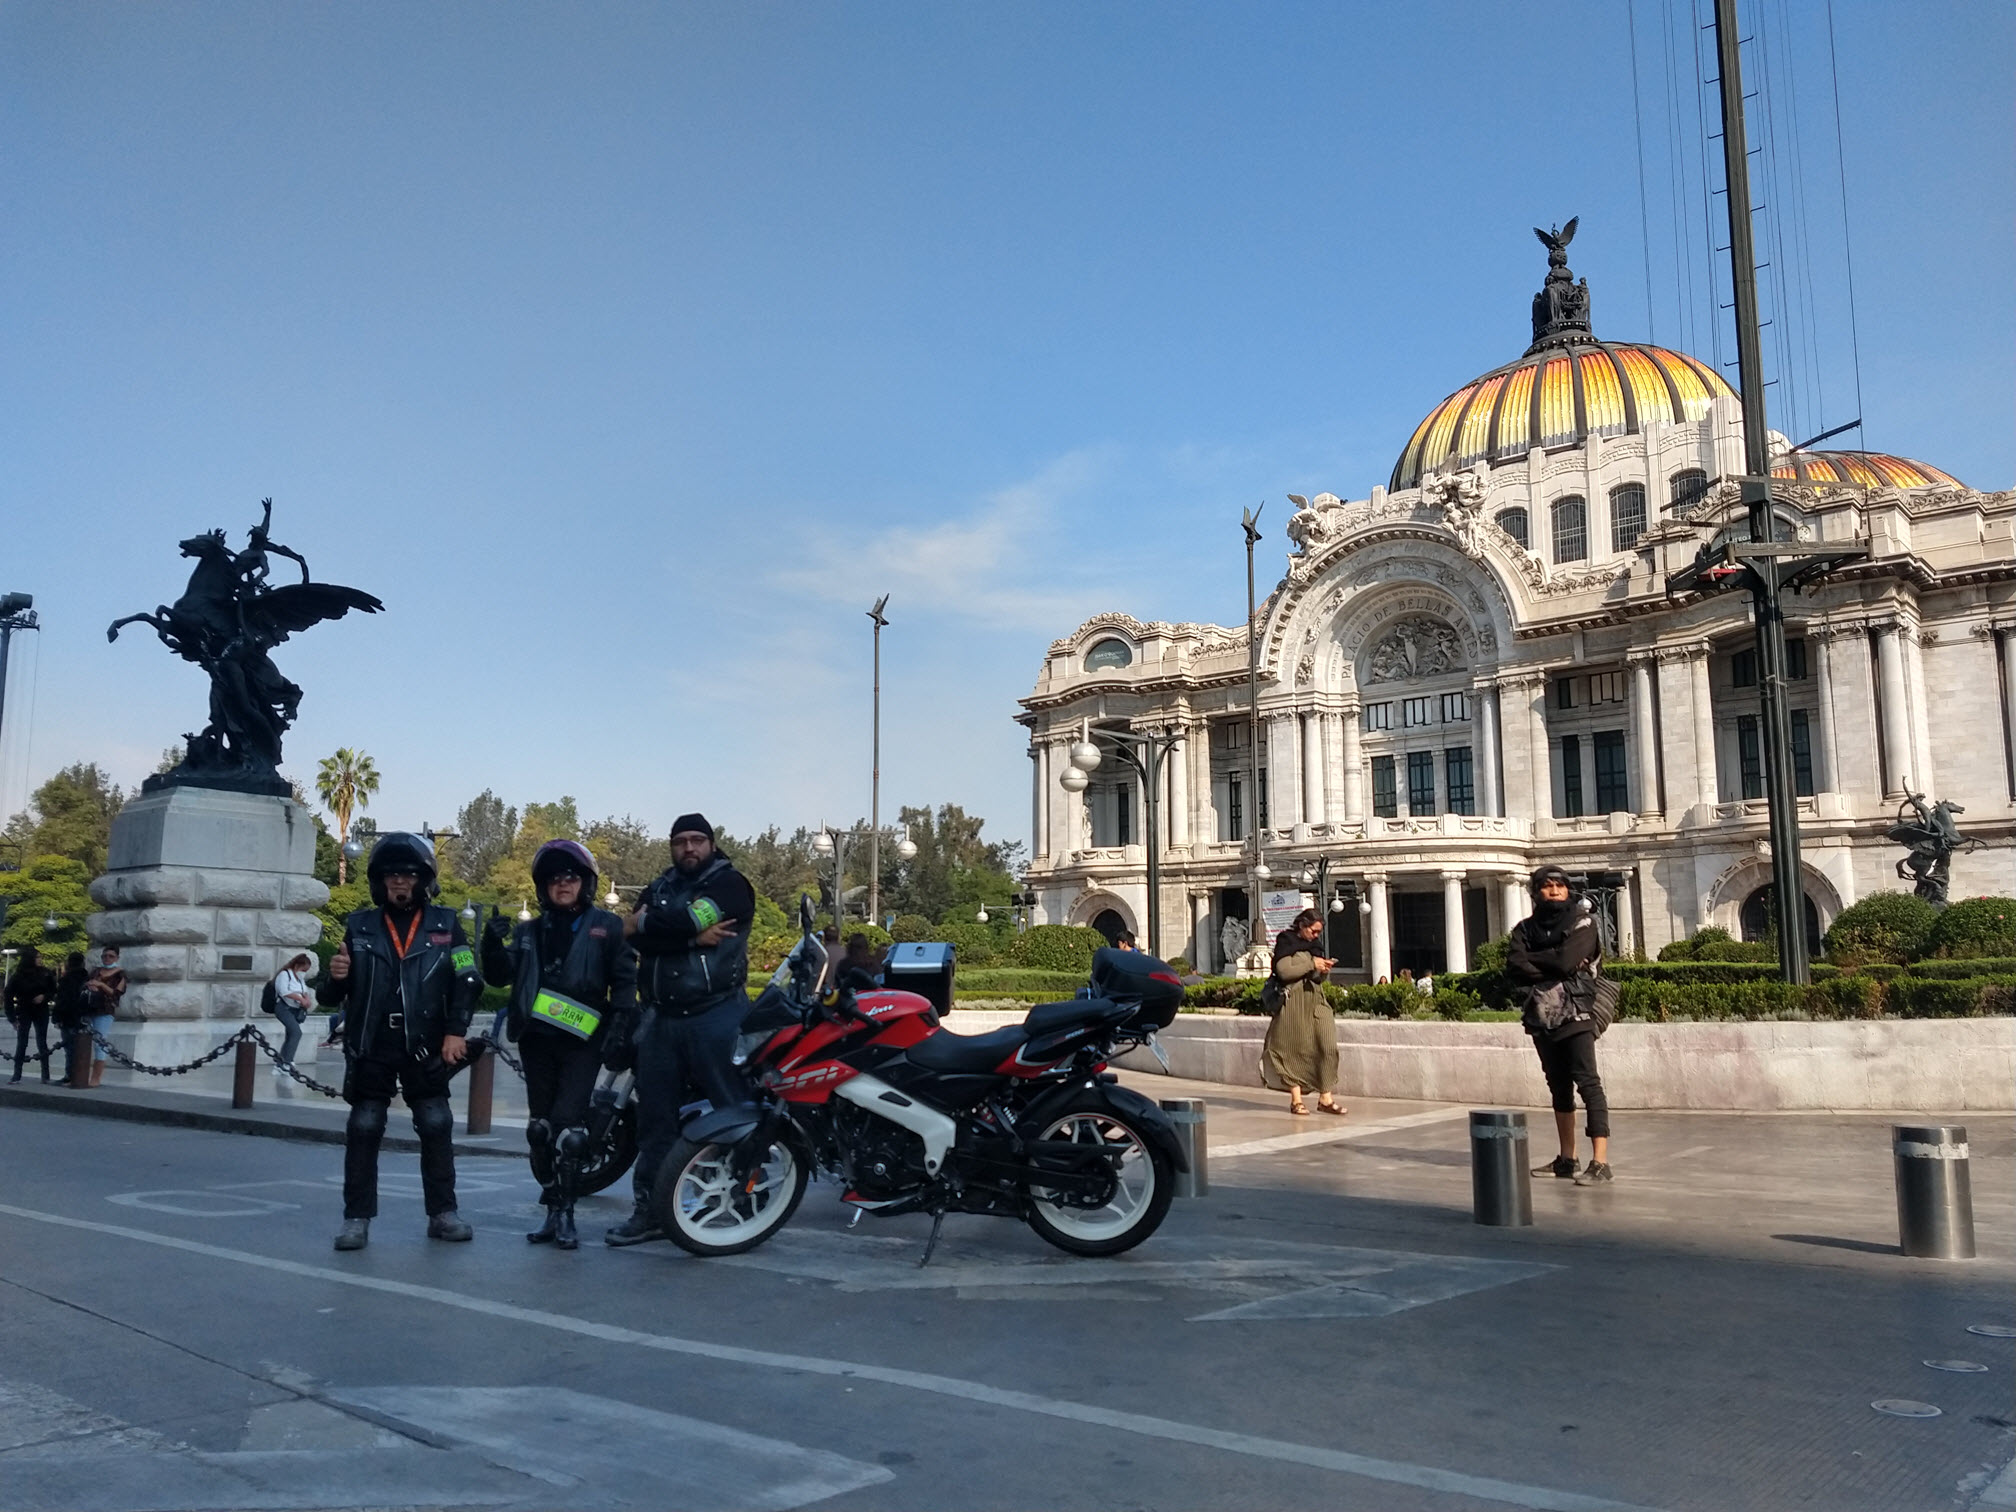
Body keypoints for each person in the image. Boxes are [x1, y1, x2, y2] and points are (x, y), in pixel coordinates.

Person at [317, 832, 484, 1250]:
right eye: (391, 874)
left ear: (423, 879)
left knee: (435, 1123)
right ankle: (356, 1218)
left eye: (409, 874)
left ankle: (443, 1213)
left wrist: (455, 1031)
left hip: (425, 1042)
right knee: (364, 1125)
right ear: (379, 880)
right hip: (372, 1042)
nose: (400, 882)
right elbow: (328, 996)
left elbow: (467, 977)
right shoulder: (359, 926)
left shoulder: (448, 926)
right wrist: (336, 977)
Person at [607, 813, 756, 1246]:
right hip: (661, 1019)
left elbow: (659, 925)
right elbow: (631, 934)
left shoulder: (730, 885)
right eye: (680, 841)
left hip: (717, 1016)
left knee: (736, 1112)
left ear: (711, 843)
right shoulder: (661, 885)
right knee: (654, 1121)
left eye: (696, 840)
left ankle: (750, 1200)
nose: (688, 848)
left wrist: (657, 925)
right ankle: (650, 1213)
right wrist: (690, 936)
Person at [483, 839, 638, 1250]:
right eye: (554, 879)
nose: (562, 884)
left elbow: (624, 984)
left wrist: (620, 1031)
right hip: (537, 1041)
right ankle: (552, 1209)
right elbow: (500, 977)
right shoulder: (529, 931)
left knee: (570, 1131)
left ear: (585, 882)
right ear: (543, 887)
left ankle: (568, 1214)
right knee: (540, 1130)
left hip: (582, 1044)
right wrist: (490, 944)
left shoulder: (607, 926)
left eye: (570, 877)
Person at [1508, 865, 1612, 1186]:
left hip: (1577, 1013)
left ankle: (1600, 1161)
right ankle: (1567, 1158)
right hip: (1541, 1015)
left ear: (1568, 890)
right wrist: (1553, 960)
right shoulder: (1525, 929)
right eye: (1547, 886)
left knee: (1588, 1083)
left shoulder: (1583, 922)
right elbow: (1514, 964)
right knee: (1558, 1087)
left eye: (1559, 886)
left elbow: (1568, 961)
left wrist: (1541, 960)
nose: (1554, 891)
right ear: (1536, 892)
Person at [1260, 909, 1344, 1117]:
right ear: (1302, 926)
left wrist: (1322, 969)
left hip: (1315, 1000)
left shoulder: (1315, 946)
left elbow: (1316, 977)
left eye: (1318, 932)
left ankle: (1325, 1097)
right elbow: (1284, 971)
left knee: (1328, 1047)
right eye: (1313, 931)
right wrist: (1310, 964)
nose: (1316, 936)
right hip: (1293, 1002)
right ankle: (1296, 1100)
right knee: (1293, 1049)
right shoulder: (1286, 941)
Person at [6, 946, 57, 1084]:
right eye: (37, 957)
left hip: (41, 1010)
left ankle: (45, 1075)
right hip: (24, 1009)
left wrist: (44, 997)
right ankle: (17, 1074)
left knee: (42, 1041)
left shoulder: (45, 973)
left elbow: (53, 990)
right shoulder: (19, 976)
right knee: (22, 1042)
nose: (40, 960)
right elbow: (8, 995)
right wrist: (12, 1017)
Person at [82, 947, 127, 1087]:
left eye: (111, 956)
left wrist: (101, 985)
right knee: (83, 1041)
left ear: (117, 958)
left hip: (105, 1010)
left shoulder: (121, 974)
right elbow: (85, 984)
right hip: (89, 1008)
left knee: (100, 1043)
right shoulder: (95, 971)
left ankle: (96, 1078)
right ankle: (80, 1074)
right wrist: (90, 985)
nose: (107, 959)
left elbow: (116, 993)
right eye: (104, 956)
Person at [267, 953, 315, 1075]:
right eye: (303, 969)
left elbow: (305, 991)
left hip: (295, 1009)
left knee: (290, 1035)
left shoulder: (299, 979)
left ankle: (281, 1063)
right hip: (284, 1008)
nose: (303, 972)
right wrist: (300, 999)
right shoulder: (284, 975)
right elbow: (284, 991)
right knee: (296, 1032)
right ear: (297, 965)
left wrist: (307, 999)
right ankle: (287, 1062)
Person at [53, 951, 89, 1085]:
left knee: (69, 1049)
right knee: (78, 1048)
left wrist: (57, 1017)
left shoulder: (66, 979)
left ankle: (70, 1075)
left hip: (68, 1017)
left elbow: (62, 1000)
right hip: (82, 1016)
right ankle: (78, 1075)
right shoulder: (87, 978)